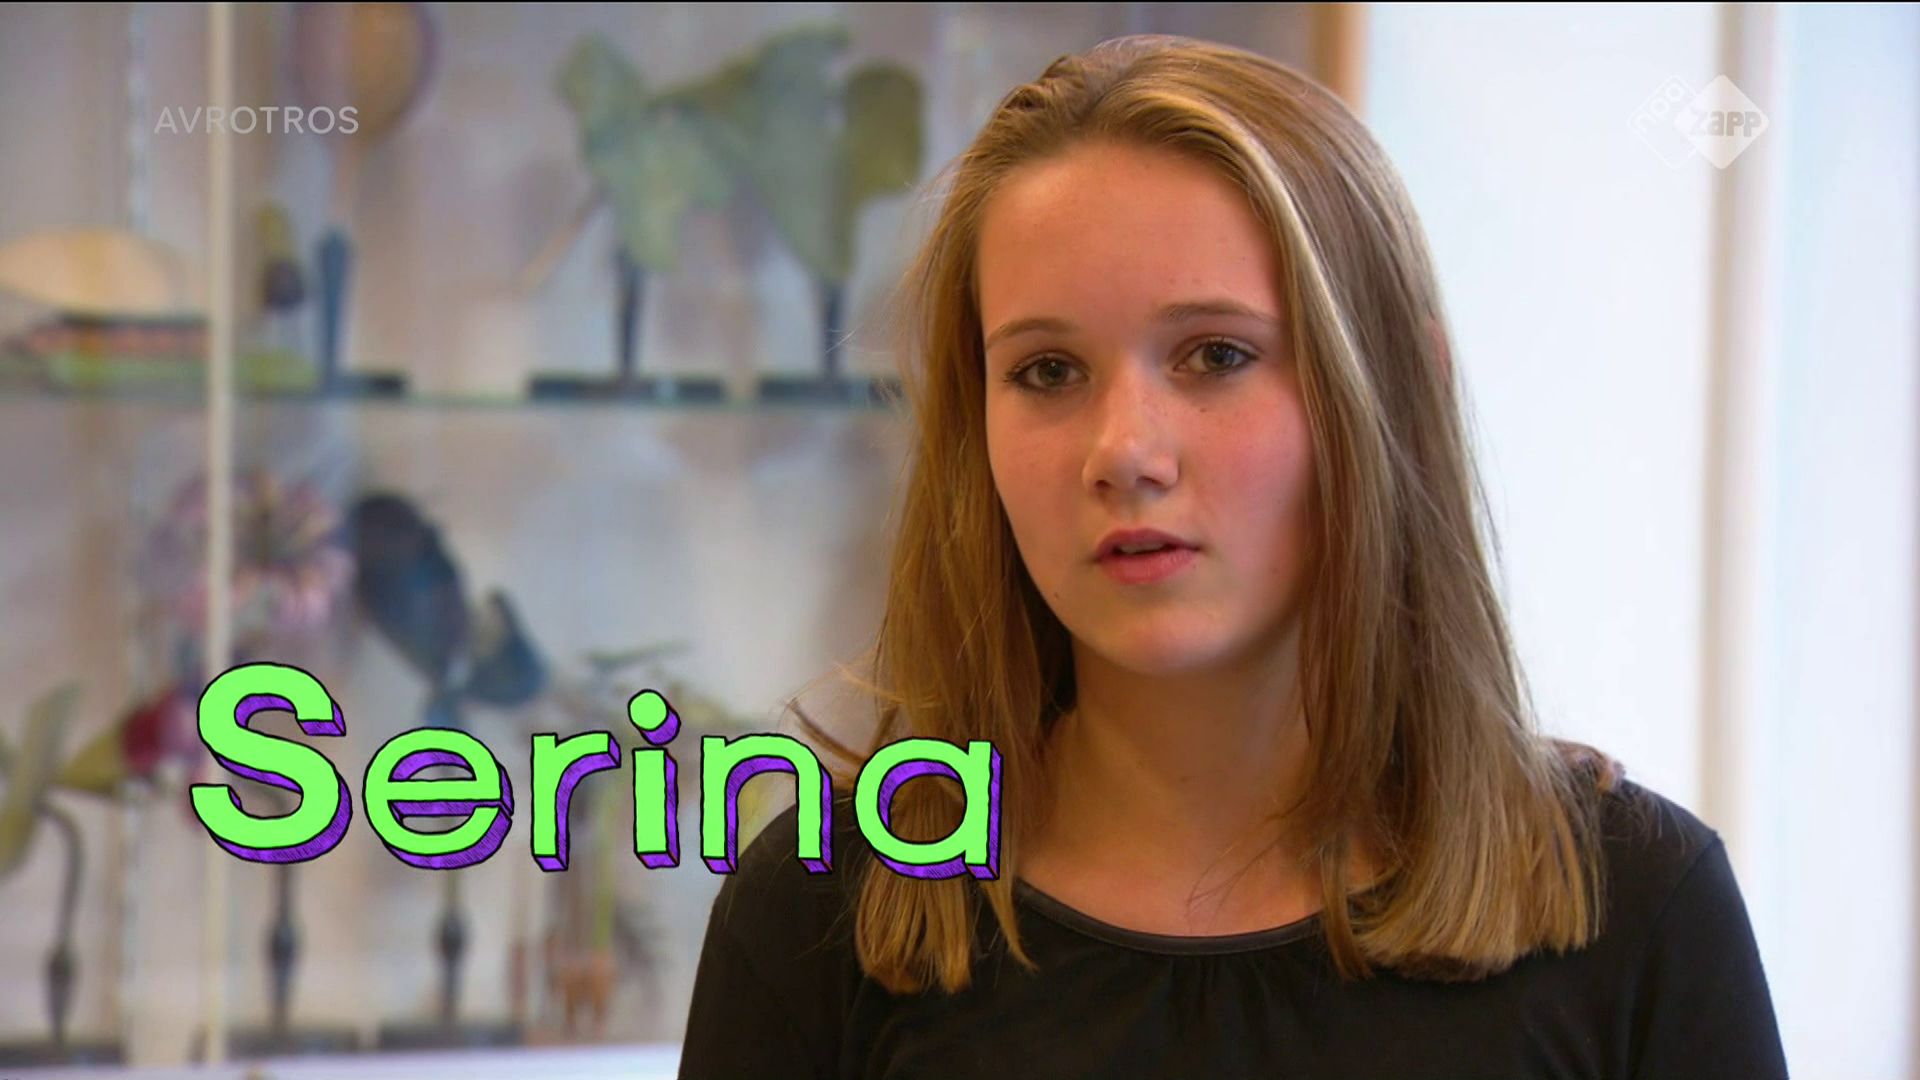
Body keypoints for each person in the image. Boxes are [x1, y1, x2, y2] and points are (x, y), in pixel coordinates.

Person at [677, 34, 1787, 1080]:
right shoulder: (816, 917)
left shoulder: (1637, 911)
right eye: (1048, 371)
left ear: (1398, 394)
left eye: (1215, 355)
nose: (1125, 452)